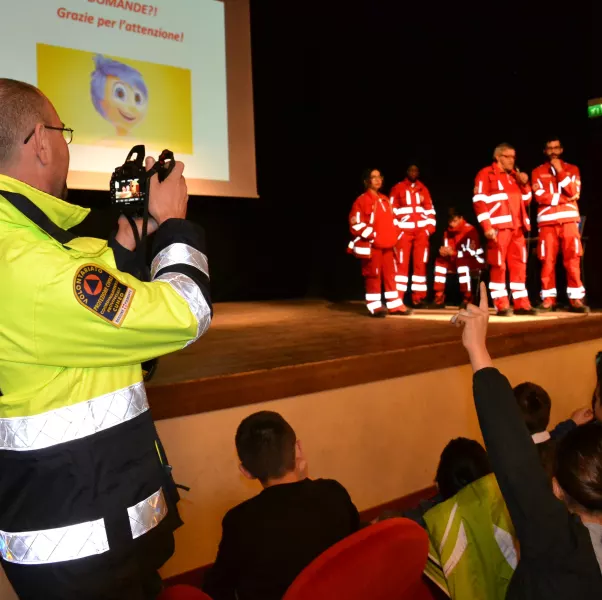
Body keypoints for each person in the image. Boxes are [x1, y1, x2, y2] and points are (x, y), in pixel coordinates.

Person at [0, 79, 212, 599]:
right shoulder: (31, 268)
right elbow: (186, 311)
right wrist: (173, 224)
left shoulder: (21, 244)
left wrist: (129, 234)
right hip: (88, 557)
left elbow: (78, 277)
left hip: (61, 531)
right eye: (63, 132)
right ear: (41, 142)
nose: (67, 146)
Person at [452, 282, 602, 598]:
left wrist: (477, 348)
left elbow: (516, 464)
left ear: (556, 488)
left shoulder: (560, 546)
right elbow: (517, 462)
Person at [203, 411, 360, 600]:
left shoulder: (239, 520)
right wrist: (303, 479)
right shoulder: (334, 492)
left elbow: (219, 587)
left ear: (246, 472)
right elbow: (356, 547)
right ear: (298, 449)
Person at [473, 144, 537, 316]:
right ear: (498, 157)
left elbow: (527, 200)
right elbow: (479, 202)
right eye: (508, 156)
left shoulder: (514, 177)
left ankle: (521, 304)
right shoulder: (485, 174)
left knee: (519, 266)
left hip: (517, 229)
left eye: (514, 157)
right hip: (498, 228)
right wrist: (487, 226)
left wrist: (525, 184)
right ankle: (501, 304)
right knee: (498, 265)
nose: (512, 160)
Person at [531, 138, 589, 313]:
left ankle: (576, 299)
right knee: (547, 261)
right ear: (545, 151)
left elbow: (573, 191)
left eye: (556, 148)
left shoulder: (572, 169)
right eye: (549, 148)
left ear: (562, 150)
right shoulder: (537, 171)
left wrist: (560, 171)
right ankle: (549, 300)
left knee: (572, 261)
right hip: (547, 223)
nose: (553, 151)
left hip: (569, 222)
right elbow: (539, 197)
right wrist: (563, 199)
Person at [348, 168, 411, 316]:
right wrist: (374, 236)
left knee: (390, 276)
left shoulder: (385, 199)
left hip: (388, 246)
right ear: (366, 181)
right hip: (372, 247)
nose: (377, 180)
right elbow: (356, 224)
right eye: (373, 177)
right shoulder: (361, 201)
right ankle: (374, 306)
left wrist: (395, 236)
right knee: (373, 276)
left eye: (379, 177)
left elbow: (393, 221)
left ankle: (394, 305)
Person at [513, 382, 593, 479]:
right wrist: (572, 423)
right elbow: (555, 436)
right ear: (547, 418)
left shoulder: (512, 458)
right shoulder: (560, 447)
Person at [389, 165, 437, 308]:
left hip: (421, 232)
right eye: (411, 170)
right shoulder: (397, 188)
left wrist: (428, 230)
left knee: (420, 265)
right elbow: (392, 211)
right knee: (401, 265)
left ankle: (418, 298)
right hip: (404, 232)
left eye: (416, 170)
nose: (413, 173)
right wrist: (398, 231)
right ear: (406, 172)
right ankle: (398, 298)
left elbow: (430, 209)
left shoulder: (424, 188)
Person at [433, 207, 485, 308]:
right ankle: (439, 298)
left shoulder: (470, 230)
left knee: (462, 264)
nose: (452, 224)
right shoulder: (447, 232)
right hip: (456, 259)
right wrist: (443, 251)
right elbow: (449, 249)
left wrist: (453, 253)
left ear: (461, 218)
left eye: (455, 220)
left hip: (473, 260)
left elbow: (471, 252)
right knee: (440, 262)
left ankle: (468, 298)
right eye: (450, 221)